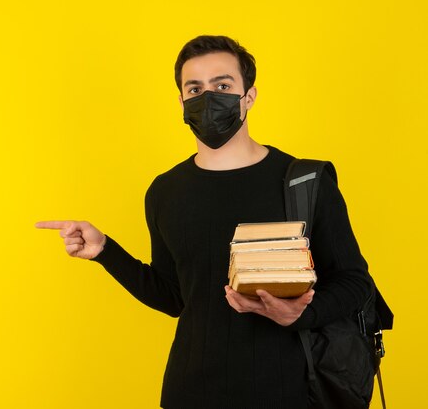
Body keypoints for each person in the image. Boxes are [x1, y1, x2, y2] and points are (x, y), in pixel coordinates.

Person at [36, 35, 372, 409]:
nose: (208, 97)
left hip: (289, 391)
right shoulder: (165, 192)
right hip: (189, 392)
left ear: (249, 96)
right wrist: (105, 252)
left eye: (223, 85)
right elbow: (175, 297)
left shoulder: (304, 182)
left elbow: (354, 282)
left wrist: (301, 313)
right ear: (181, 102)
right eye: (195, 88)